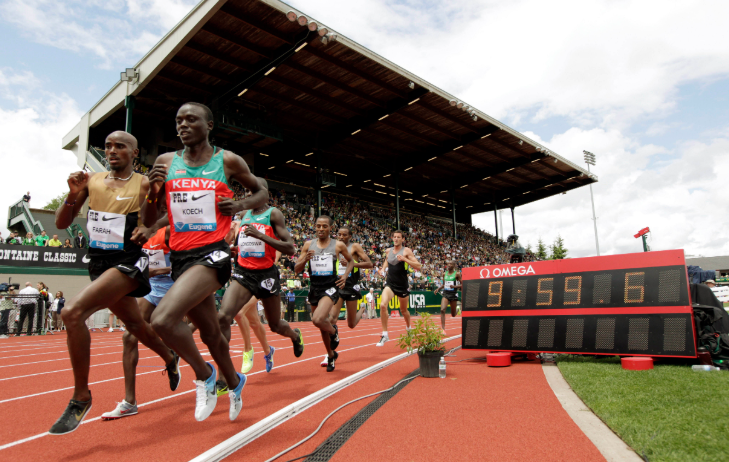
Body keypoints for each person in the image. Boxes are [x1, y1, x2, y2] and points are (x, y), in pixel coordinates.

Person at [48, 130, 179, 435]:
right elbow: (61, 223)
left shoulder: (144, 182)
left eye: (121, 146)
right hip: (99, 261)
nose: (112, 150)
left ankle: (81, 397)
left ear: (135, 153)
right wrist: (71, 194)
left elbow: (153, 218)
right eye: (108, 146)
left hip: (129, 260)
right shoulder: (91, 181)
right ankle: (168, 355)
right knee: (135, 326)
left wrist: (150, 202)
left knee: (72, 313)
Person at [143, 102, 268, 422]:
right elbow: (151, 219)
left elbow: (261, 193)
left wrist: (238, 204)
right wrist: (151, 191)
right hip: (180, 257)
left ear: (209, 125)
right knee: (211, 333)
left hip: (213, 254)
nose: (182, 125)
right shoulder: (165, 162)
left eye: (191, 119)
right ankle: (235, 381)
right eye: (178, 120)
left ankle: (204, 375)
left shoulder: (226, 160)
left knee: (162, 320)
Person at [217, 177, 303, 387]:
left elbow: (290, 248)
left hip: (266, 276)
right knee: (224, 317)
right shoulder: (244, 214)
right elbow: (247, 243)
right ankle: (223, 378)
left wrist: (261, 236)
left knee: (275, 325)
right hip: (243, 273)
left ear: (263, 193)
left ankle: (295, 335)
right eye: (246, 192)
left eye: (252, 192)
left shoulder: (273, 214)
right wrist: (236, 250)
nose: (247, 196)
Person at [102, 226, 179, 420]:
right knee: (129, 336)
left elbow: (190, 262)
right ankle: (129, 402)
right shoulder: (137, 232)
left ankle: (221, 378)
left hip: (178, 288)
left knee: (207, 330)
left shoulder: (171, 230)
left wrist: (160, 269)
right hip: (152, 290)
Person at [294, 216, 355, 372]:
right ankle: (330, 354)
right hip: (315, 287)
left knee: (318, 319)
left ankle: (334, 332)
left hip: (330, 286)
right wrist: (304, 260)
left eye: (324, 226)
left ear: (330, 228)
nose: (321, 229)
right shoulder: (308, 244)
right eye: (318, 226)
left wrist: (345, 275)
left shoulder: (338, 245)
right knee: (321, 326)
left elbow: (351, 262)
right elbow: (296, 268)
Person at [320, 226, 373, 366]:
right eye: (339, 234)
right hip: (338, 285)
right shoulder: (335, 247)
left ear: (350, 236)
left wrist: (353, 264)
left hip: (351, 286)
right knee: (332, 318)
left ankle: (362, 309)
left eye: (344, 235)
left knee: (351, 324)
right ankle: (329, 354)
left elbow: (370, 264)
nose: (341, 237)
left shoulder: (355, 247)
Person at [376, 230, 421, 347]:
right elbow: (387, 260)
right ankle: (385, 334)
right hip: (390, 284)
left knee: (404, 311)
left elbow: (418, 266)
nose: (396, 239)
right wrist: (382, 270)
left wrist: (405, 259)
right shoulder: (388, 251)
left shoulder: (406, 251)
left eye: (398, 237)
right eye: (394, 237)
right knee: (382, 305)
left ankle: (409, 328)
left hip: (402, 286)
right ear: (392, 238)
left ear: (402, 239)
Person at [433, 260, 462, 335]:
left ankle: (457, 309)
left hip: (453, 294)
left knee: (453, 315)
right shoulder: (444, 274)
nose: (448, 265)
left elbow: (463, 284)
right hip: (446, 293)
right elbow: (444, 284)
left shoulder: (457, 274)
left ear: (454, 265)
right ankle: (443, 329)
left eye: (450, 264)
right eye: (448, 264)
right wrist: (438, 289)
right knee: (442, 310)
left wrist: (455, 286)